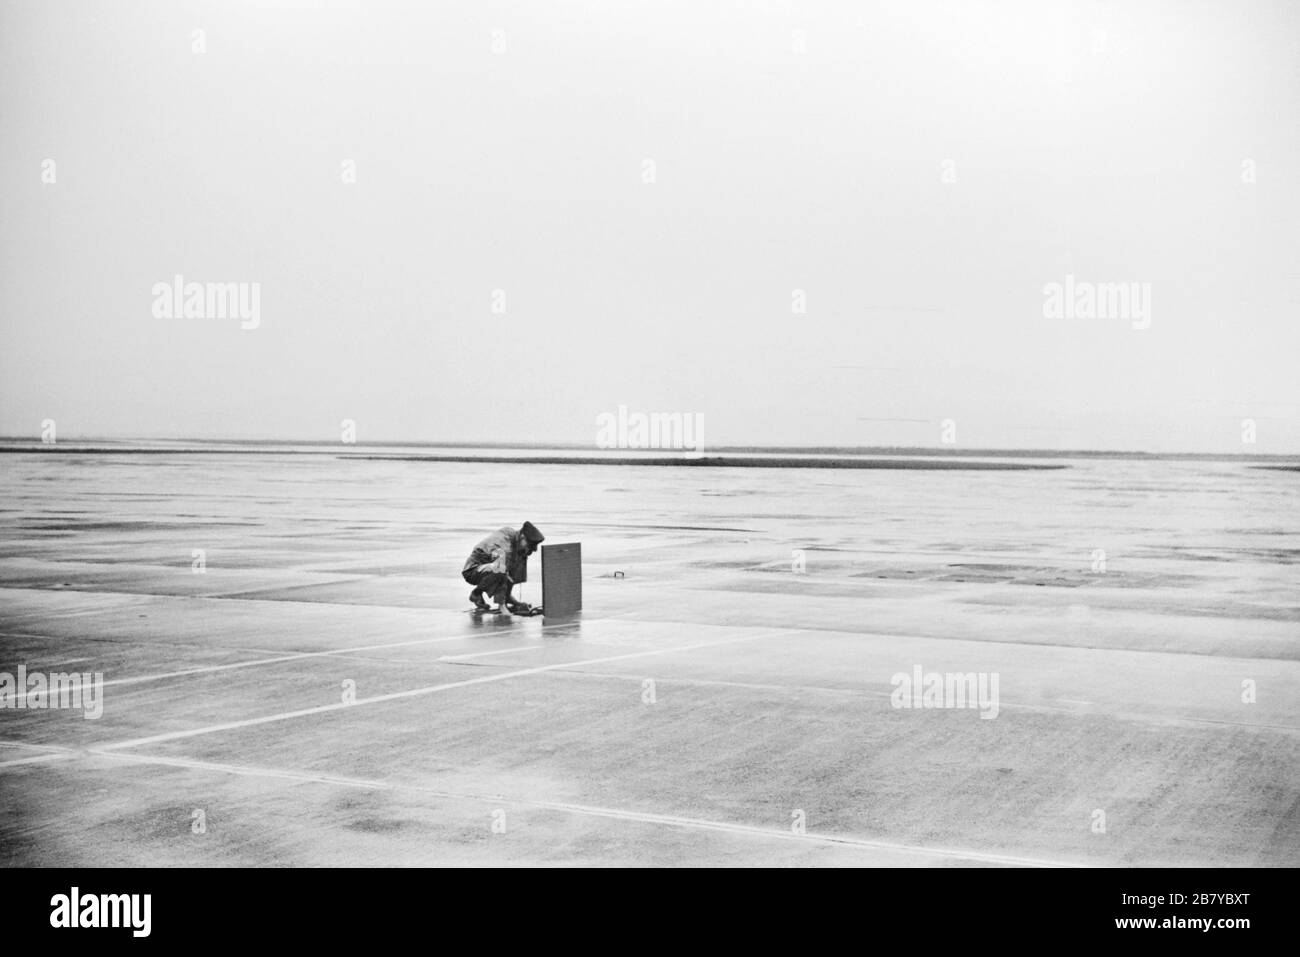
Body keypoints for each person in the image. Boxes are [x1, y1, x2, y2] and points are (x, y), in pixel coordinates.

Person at [462, 521, 545, 613]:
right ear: (522, 537)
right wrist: (502, 607)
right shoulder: (504, 547)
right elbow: (501, 570)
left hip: (489, 566)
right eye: (530, 545)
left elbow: (510, 571)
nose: (533, 548)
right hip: (472, 571)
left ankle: (507, 597)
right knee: (500, 568)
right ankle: (477, 594)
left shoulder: (515, 537)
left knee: (521, 555)